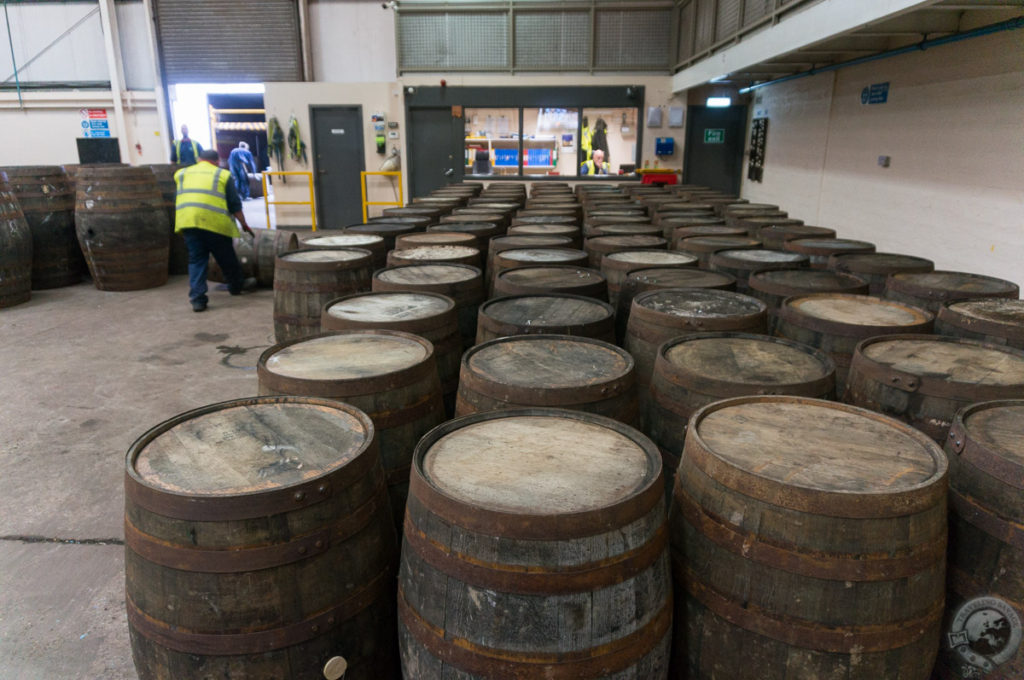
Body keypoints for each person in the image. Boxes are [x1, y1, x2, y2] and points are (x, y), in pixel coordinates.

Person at [174, 149, 255, 312]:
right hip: (214, 222)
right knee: (226, 257)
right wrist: (244, 223)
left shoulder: (181, 173)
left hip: (188, 222)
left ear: (199, 159)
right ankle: (236, 286)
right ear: (217, 161)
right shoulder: (222, 175)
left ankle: (197, 300)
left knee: (197, 260)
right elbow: (234, 204)